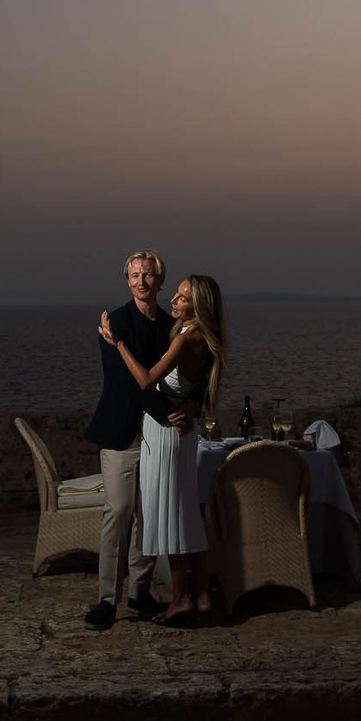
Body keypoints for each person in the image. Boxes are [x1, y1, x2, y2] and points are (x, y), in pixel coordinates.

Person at [99, 273, 224, 625]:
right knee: (186, 517)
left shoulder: (185, 338)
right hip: (183, 435)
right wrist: (192, 407)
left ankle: (181, 598)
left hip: (165, 434)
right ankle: (200, 596)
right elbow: (194, 387)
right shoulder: (208, 339)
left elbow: (145, 380)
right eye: (178, 295)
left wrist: (118, 343)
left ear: (197, 304)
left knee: (169, 518)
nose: (174, 301)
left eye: (183, 298)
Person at [81, 249, 183, 629]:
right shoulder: (114, 322)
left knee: (148, 516)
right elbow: (126, 382)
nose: (142, 281)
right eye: (135, 275)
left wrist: (185, 409)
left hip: (159, 436)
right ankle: (107, 599)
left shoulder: (170, 326)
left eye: (149, 275)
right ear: (128, 280)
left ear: (160, 280)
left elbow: (180, 373)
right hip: (121, 432)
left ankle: (139, 593)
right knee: (119, 513)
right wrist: (166, 412)